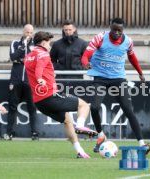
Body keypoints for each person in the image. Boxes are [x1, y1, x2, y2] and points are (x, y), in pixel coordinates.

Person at [81, 17, 150, 154]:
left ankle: (142, 144)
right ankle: (101, 135)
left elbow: (132, 57)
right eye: (114, 30)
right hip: (100, 78)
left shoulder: (128, 42)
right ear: (110, 28)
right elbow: (86, 55)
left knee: (128, 110)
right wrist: (85, 63)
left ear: (123, 30)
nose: (117, 33)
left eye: (119, 30)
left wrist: (140, 73)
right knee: (94, 107)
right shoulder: (100, 37)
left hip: (118, 79)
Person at [23, 31, 97, 159]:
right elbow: (39, 68)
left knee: (67, 121)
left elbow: (36, 67)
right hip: (50, 96)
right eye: (49, 43)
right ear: (43, 42)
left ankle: (80, 152)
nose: (50, 46)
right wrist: (40, 78)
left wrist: (45, 76)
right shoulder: (44, 54)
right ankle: (80, 125)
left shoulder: (28, 57)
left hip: (39, 102)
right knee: (84, 106)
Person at [3, 24, 39, 141]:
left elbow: (35, 60)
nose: (28, 34)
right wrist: (22, 47)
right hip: (16, 80)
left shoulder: (36, 44)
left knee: (32, 107)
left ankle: (34, 133)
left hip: (30, 81)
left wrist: (23, 60)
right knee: (12, 106)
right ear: (23, 32)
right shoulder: (15, 43)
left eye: (30, 32)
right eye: (27, 32)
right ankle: (9, 133)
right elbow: (13, 57)